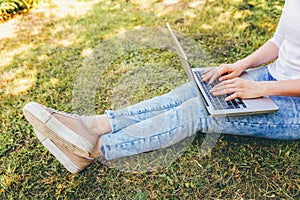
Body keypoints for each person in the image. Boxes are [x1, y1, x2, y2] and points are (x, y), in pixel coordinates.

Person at [23, 0, 300, 174]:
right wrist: (242, 65)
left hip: (293, 108)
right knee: (192, 90)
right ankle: (92, 126)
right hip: (269, 75)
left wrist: (261, 90)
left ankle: (93, 151)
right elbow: (278, 40)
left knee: (197, 112)